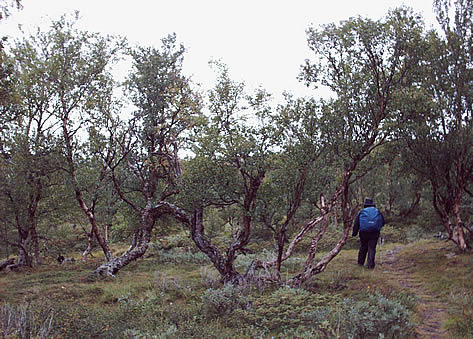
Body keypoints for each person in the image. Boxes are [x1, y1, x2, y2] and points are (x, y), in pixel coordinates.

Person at [352, 198, 385, 269]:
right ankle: (370, 265)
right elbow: (383, 222)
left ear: (365, 205)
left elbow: (356, 223)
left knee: (363, 247)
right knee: (372, 248)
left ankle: (360, 263)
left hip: (363, 232)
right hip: (374, 232)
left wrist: (354, 233)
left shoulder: (361, 212)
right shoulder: (377, 211)